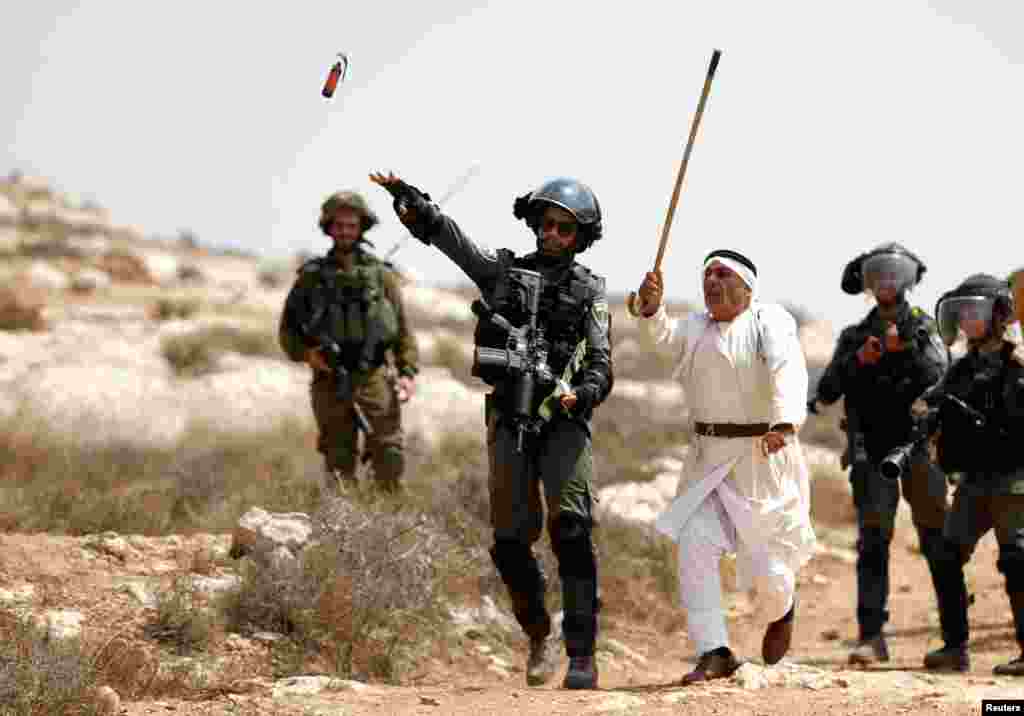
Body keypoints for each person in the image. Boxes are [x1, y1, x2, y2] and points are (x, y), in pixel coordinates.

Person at [370, 171, 613, 690]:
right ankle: (538, 635)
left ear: (581, 238)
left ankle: (582, 654)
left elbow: (601, 359)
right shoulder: (503, 275)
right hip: (508, 418)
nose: (552, 235)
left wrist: (584, 392)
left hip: (564, 420)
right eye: (546, 225)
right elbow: (454, 244)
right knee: (508, 541)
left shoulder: (591, 291)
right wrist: (415, 206)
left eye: (564, 230)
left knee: (571, 529)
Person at [632, 250, 816, 684]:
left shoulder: (768, 321)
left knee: (770, 575)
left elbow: (788, 370)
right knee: (694, 543)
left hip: (762, 457)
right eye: (707, 274)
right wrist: (652, 307)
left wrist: (784, 422)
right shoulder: (695, 326)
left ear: (747, 287)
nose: (711, 281)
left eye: (723, 274)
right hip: (707, 462)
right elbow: (660, 336)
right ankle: (714, 650)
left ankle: (783, 610)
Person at [808, 242, 954, 667]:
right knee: (873, 543)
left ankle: (955, 640)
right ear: (868, 283)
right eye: (879, 275)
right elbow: (828, 390)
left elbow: (940, 380)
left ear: (907, 280)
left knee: (936, 541)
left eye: (894, 274)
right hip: (871, 453)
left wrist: (901, 350)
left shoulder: (925, 328)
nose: (887, 282)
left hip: (920, 449)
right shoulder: (856, 335)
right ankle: (871, 637)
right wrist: (861, 359)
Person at [913, 273, 1024, 674]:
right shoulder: (963, 367)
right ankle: (954, 647)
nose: (966, 320)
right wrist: (927, 414)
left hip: (1015, 480)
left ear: (998, 313)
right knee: (946, 556)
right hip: (975, 481)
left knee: (1018, 561)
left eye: (974, 311)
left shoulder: (1017, 359)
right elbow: (930, 400)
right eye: (960, 313)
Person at [278, 190, 419, 494]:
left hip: (373, 377)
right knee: (338, 461)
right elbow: (287, 332)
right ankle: (344, 526)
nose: (345, 231)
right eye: (339, 225)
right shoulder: (311, 278)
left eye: (351, 225)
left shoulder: (381, 276)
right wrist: (307, 355)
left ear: (361, 227)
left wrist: (407, 372)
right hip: (330, 378)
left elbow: (404, 331)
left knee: (389, 454)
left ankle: (388, 522)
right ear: (328, 228)